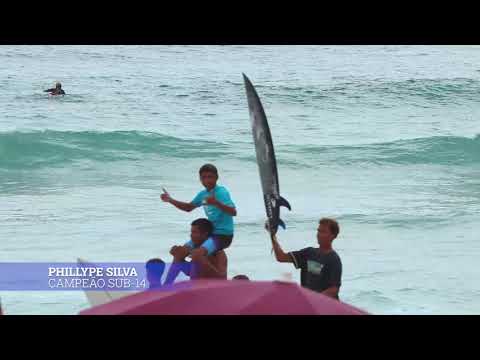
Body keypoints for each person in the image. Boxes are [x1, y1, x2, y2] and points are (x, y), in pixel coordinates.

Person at [161, 164, 236, 260]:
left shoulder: (221, 192)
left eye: (210, 177)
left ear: (216, 178)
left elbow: (233, 212)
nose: (207, 180)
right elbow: (188, 207)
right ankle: (175, 274)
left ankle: (208, 272)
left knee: (197, 255)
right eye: (204, 177)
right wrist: (170, 200)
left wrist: (217, 203)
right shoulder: (202, 194)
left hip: (223, 235)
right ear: (200, 179)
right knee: (178, 253)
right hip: (209, 233)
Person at [267, 218, 342, 300]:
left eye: (323, 232)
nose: (318, 234)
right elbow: (281, 257)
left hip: (325, 306)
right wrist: (272, 235)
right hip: (308, 302)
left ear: (332, 236)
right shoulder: (309, 253)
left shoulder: (334, 259)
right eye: (318, 231)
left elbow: (334, 290)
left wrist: (315, 299)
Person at [164, 218, 228, 284]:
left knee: (197, 258)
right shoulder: (194, 243)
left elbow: (222, 278)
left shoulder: (218, 252)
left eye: (194, 232)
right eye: (191, 232)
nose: (191, 235)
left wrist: (202, 261)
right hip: (197, 281)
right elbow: (182, 252)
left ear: (204, 234)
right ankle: (166, 285)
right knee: (178, 255)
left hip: (213, 285)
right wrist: (176, 251)